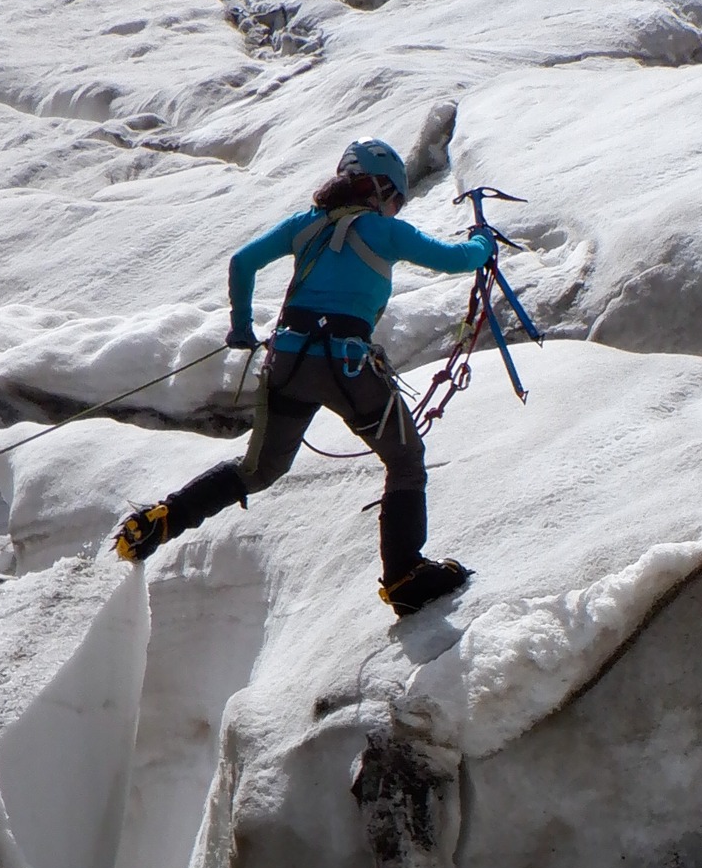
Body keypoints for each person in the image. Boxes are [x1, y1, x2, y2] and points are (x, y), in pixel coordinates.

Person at [114, 138, 496, 615]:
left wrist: (240, 328)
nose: (396, 208)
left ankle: (161, 520)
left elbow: (243, 262)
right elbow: (458, 260)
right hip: (347, 367)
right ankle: (404, 576)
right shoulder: (384, 232)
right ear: (379, 189)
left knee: (260, 470)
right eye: (396, 198)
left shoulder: (304, 225)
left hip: (288, 365)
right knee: (405, 459)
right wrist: (484, 241)